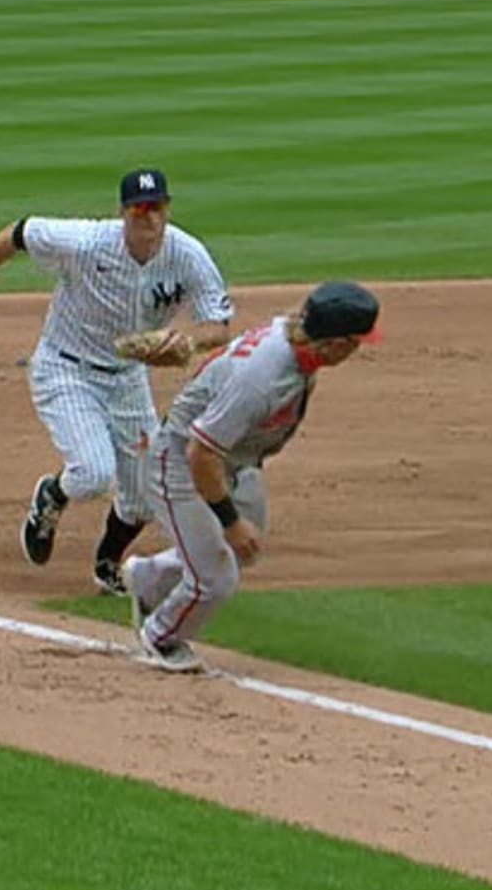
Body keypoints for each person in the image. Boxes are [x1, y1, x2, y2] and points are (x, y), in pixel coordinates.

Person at [0, 168, 236, 594]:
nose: (148, 218)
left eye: (156, 208)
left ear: (167, 209)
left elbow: (218, 325)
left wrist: (185, 342)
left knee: (144, 496)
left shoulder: (188, 255)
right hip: (66, 369)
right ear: (123, 212)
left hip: (128, 379)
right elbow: (20, 232)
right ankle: (53, 495)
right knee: (94, 474)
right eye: (139, 209)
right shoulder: (86, 242)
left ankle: (107, 565)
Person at [121, 281, 380, 672]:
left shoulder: (295, 341)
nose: (357, 349)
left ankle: (148, 578)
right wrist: (229, 520)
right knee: (215, 578)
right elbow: (201, 452)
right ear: (335, 344)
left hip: (231, 460)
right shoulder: (262, 380)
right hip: (180, 462)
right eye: (355, 342)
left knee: (242, 549)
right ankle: (160, 636)